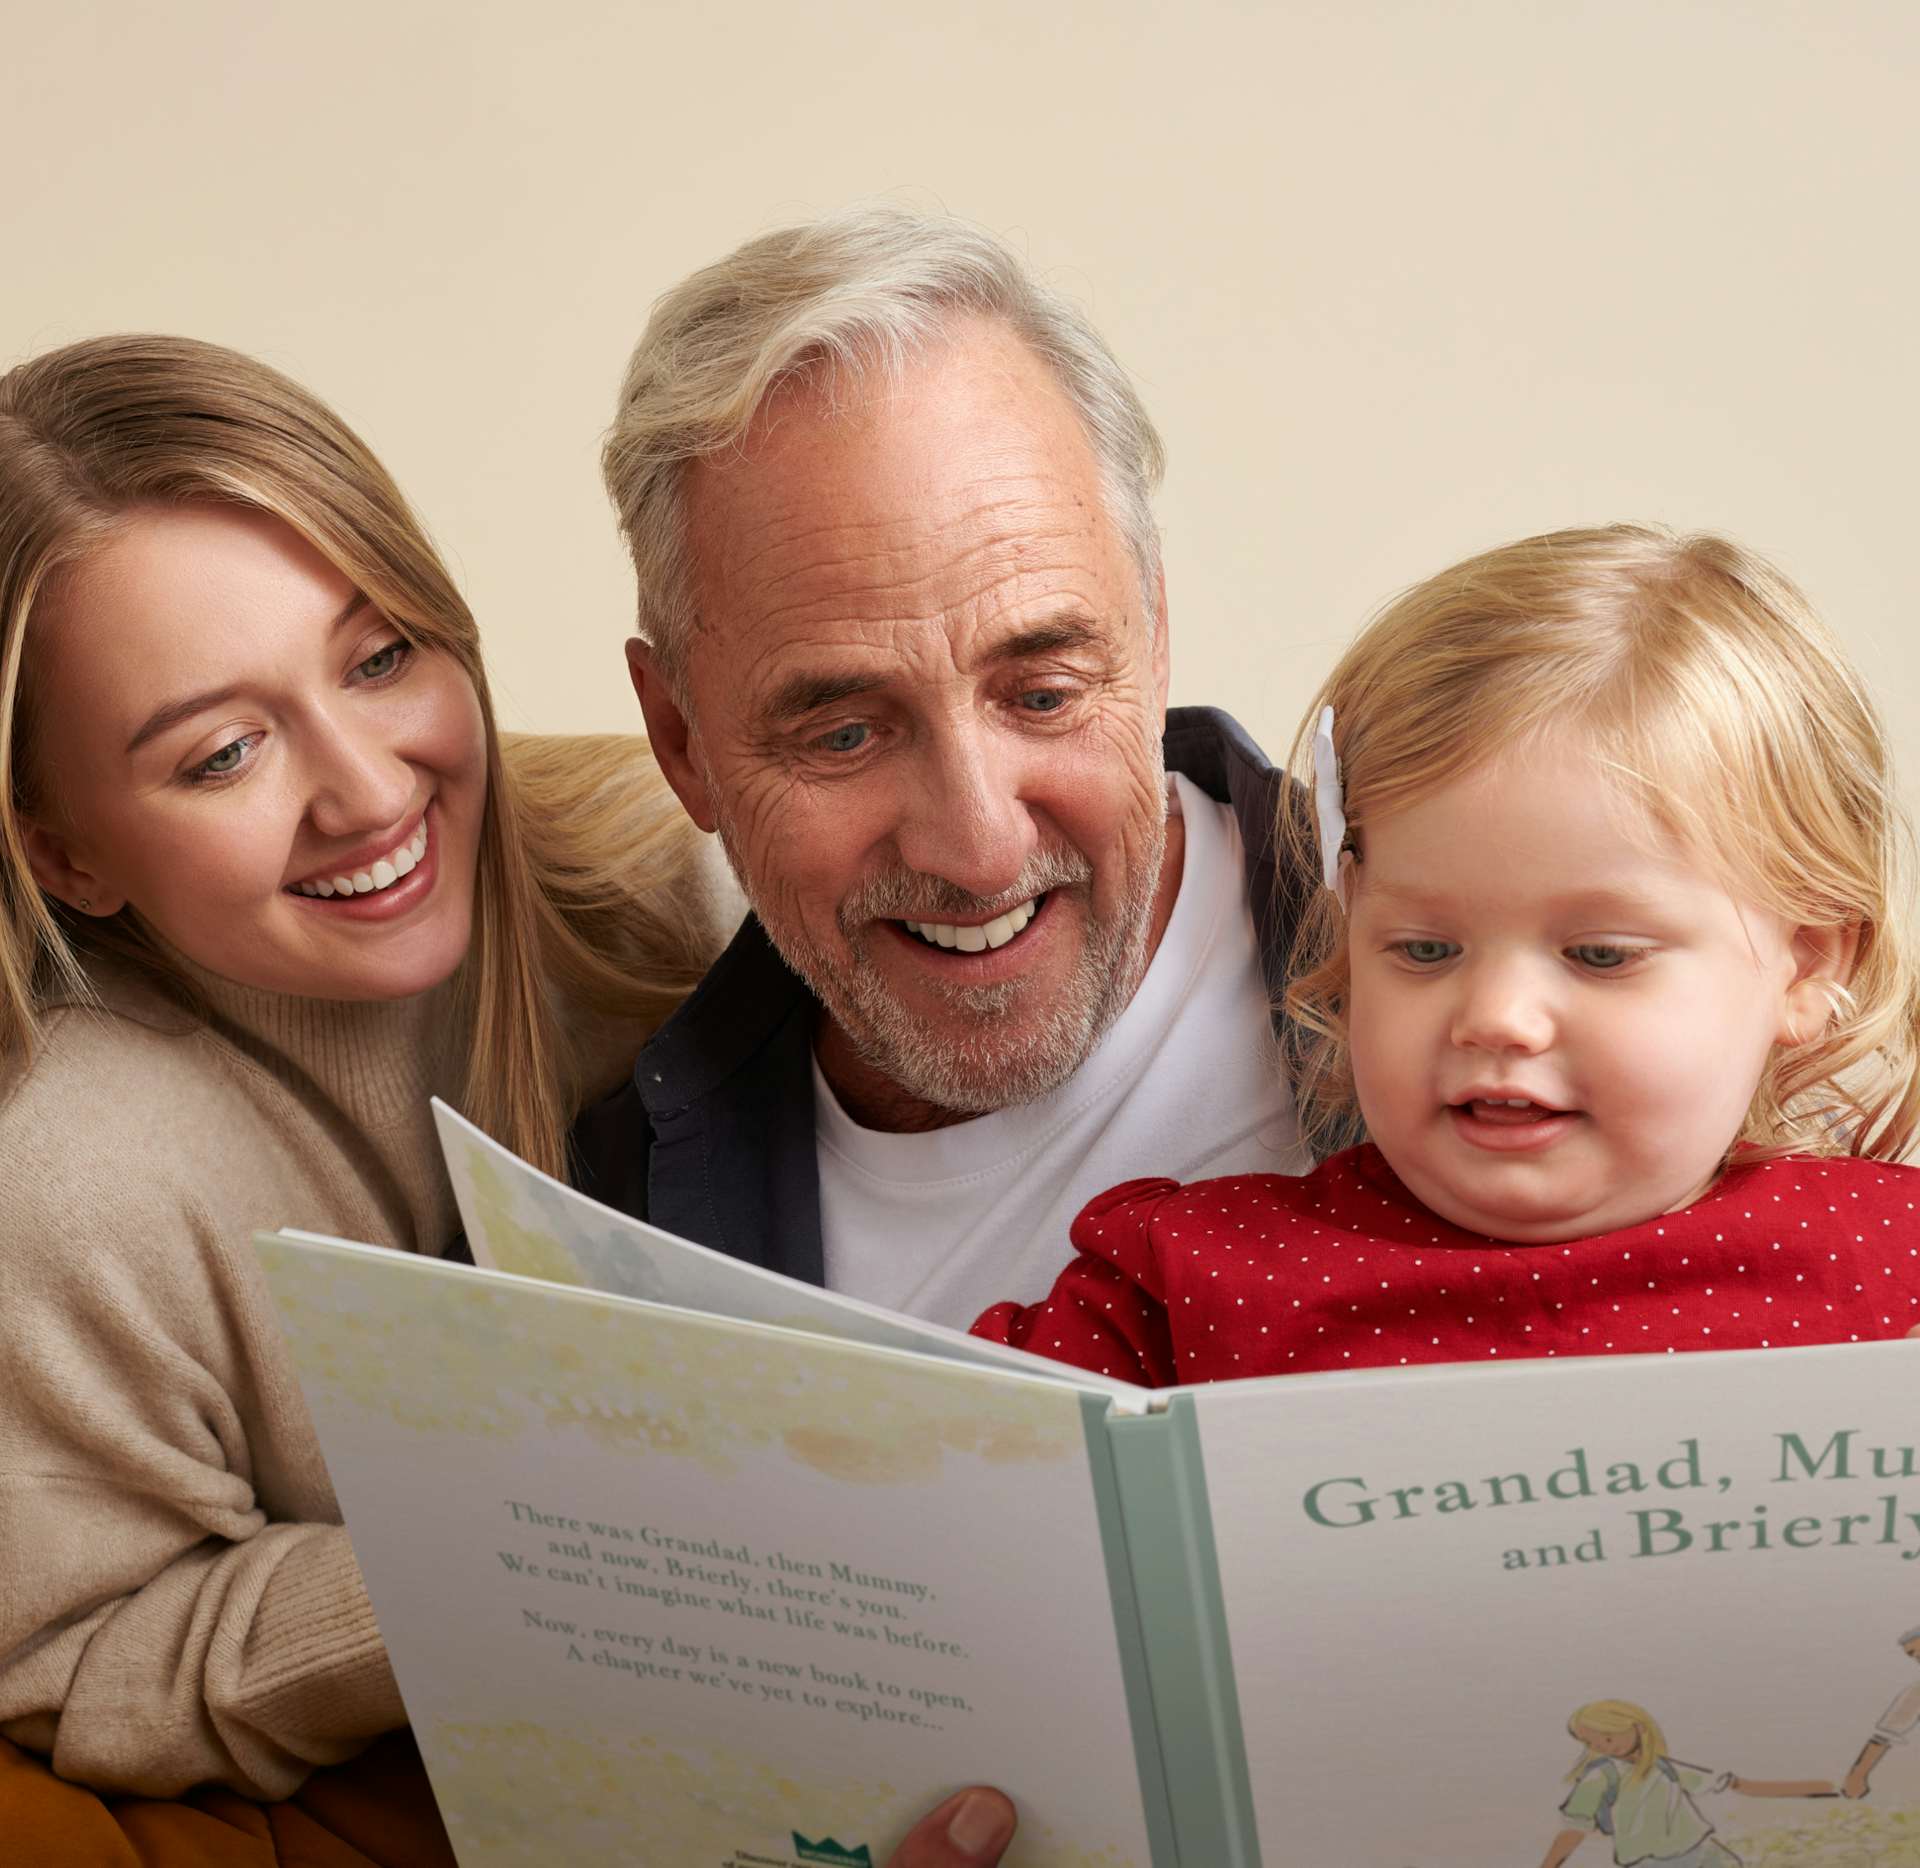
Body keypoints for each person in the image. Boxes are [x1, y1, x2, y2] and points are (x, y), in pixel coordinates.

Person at [0, 333, 734, 1801]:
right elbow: (73, 1659)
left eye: (381, 656)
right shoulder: (73, 1180)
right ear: (64, 852)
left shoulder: (677, 882)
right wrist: (509, 1571)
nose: (370, 789)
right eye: (222, 754)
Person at [575, 206, 1313, 1327]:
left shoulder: (1520, 999)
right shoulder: (602, 1235)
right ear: (682, 743)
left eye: (1043, 694)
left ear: (1153, 634)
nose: (978, 850)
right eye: (845, 735)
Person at [972, 525, 1920, 1382]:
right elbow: (927, 1477)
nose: (1496, 1016)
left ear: (1807, 966)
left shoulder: (1891, 1262)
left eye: (1598, 955)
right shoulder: (1187, 1283)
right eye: (1425, 948)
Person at [1539, 1699, 1827, 1867]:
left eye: (1608, 1738)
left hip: (1702, 1851)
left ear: (1637, 1727)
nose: (1601, 1747)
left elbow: (1740, 1786)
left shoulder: (1664, 1767)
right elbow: (1574, 1829)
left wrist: (1822, 1788)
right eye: (1590, 1742)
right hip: (1651, 1863)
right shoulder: (1600, 1776)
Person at [1841, 1626, 1920, 1798]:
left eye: (1915, 1651)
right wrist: (1858, 1776)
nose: (1915, 1657)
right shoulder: (1917, 1692)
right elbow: (1885, 1734)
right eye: (1911, 1655)